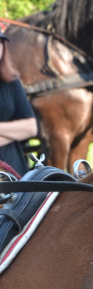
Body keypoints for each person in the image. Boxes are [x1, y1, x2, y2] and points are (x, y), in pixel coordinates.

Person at [0, 29, 37, 178]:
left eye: (0, 43)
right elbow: (23, 128)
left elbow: (31, 128)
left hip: (13, 168)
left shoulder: (12, 82)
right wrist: (14, 132)